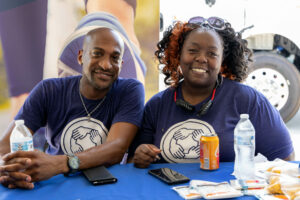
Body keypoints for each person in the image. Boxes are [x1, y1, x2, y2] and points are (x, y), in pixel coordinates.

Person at [132, 17, 295, 168]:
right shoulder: (157, 105)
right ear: (178, 54)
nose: (201, 58)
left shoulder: (249, 101)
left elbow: (286, 161)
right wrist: (140, 156)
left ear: (222, 60)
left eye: (212, 53)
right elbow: (135, 160)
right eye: (193, 50)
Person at [0, 27, 145, 189]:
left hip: (106, 185)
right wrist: (10, 170)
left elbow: (116, 148)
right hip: (54, 182)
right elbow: (5, 145)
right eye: (97, 53)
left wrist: (61, 163)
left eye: (115, 57)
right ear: (81, 57)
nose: (106, 65)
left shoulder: (130, 90)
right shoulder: (49, 90)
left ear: (121, 64)